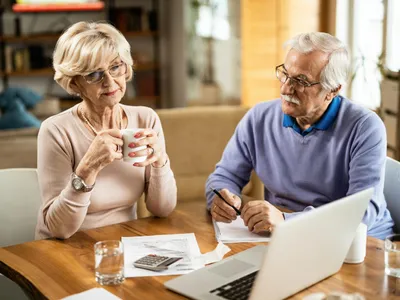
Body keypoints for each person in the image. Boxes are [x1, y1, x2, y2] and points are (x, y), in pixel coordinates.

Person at [206, 32, 394, 240]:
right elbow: (223, 176)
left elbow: (362, 213)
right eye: (285, 74)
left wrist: (287, 221)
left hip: (359, 244)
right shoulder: (259, 118)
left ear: (332, 90)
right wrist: (221, 198)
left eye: (301, 81)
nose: (286, 87)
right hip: (286, 239)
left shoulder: (365, 127)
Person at [35, 21, 177, 239]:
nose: (110, 82)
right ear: (74, 84)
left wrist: (160, 162)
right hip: (66, 248)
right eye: (94, 74)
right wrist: (87, 169)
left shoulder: (145, 118)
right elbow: (59, 229)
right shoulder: (56, 130)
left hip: (123, 243)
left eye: (115, 67)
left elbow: (162, 209)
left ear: (126, 68)